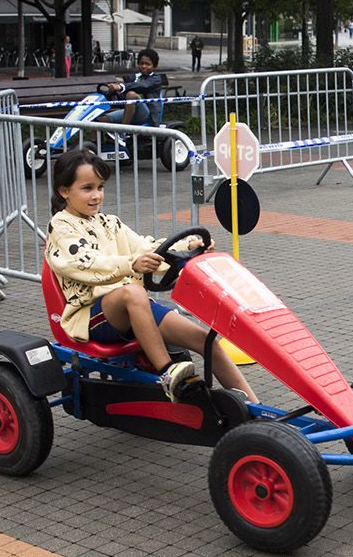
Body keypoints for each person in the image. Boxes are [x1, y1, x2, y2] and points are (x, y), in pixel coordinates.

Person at [45, 150, 258, 403]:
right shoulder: (61, 226)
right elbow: (85, 263)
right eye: (87, 188)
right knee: (133, 292)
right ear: (64, 191)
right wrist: (131, 264)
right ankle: (168, 372)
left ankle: (256, 412)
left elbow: (147, 249)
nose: (96, 195)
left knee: (206, 341)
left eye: (100, 187)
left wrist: (188, 246)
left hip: (132, 306)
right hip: (90, 315)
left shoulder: (108, 223)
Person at [104, 48, 168, 127]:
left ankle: (123, 131)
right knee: (100, 121)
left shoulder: (156, 79)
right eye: (141, 63)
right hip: (129, 111)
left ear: (154, 66)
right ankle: (91, 140)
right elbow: (123, 96)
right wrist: (112, 91)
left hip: (148, 114)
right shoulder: (133, 77)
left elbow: (144, 85)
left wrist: (121, 86)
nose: (144, 66)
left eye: (148, 64)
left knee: (131, 95)